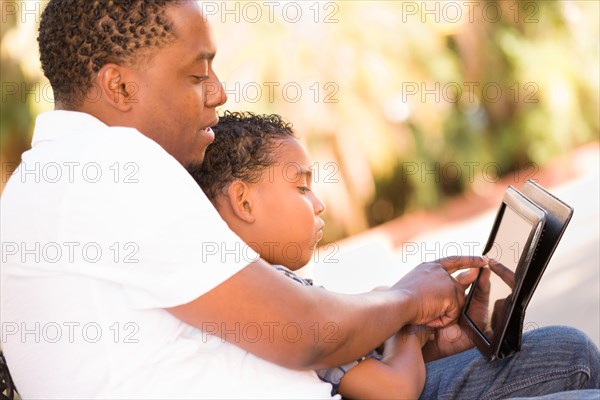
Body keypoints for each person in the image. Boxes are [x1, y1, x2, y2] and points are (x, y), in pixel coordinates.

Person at [0, 1, 597, 399]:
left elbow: (276, 324)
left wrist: (408, 321)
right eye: (196, 73)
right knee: (575, 374)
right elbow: (305, 334)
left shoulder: (61, 177)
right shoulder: (111, 174)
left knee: (565, 351)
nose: (219, 91)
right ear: (120, 85)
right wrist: (408, 300)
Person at [190, 111, 431, 398]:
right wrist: (407, 325)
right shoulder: (277, 294)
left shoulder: (216, 297)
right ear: (244, 202)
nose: (318, 205)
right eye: (302, 188)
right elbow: (396, 389)